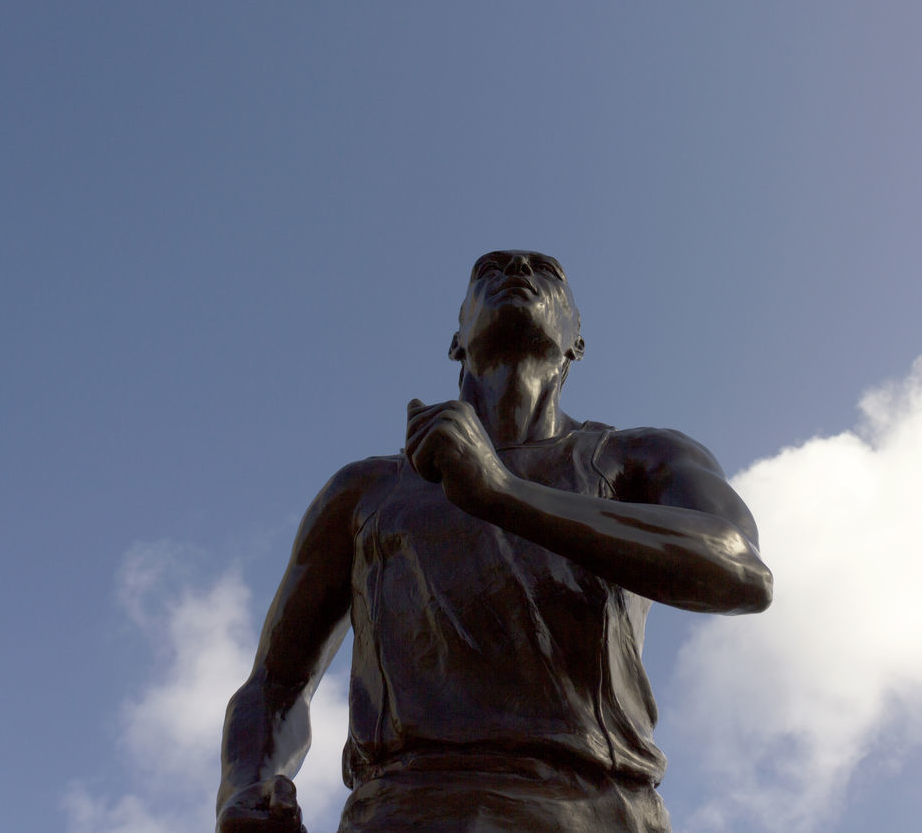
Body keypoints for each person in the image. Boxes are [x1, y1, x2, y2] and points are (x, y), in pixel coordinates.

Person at [216, 250, 772, 833]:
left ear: (577, 340)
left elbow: (738, 569)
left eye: (546, 271)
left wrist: (500, 494)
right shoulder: (365, 490)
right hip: (404, 810)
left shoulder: (638, 458)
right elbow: (276, 683)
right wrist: (247, 788)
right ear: (456, 339)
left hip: (596, 809)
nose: (518, 272)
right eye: (490, 270)